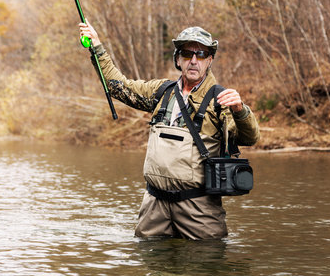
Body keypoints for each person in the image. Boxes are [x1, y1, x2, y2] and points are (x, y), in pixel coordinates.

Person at [79, 21, 260, 240]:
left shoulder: (220, 100)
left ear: (209, 60)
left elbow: (250, 138)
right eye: (187, 53)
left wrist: (241, 111)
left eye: (201, 54)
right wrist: (97, 47)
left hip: (199, 207)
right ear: (178, 59)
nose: (194, 60)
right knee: (152, 268)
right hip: (154, 205)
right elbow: (118, 86)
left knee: (206, 266)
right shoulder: (161, 91)